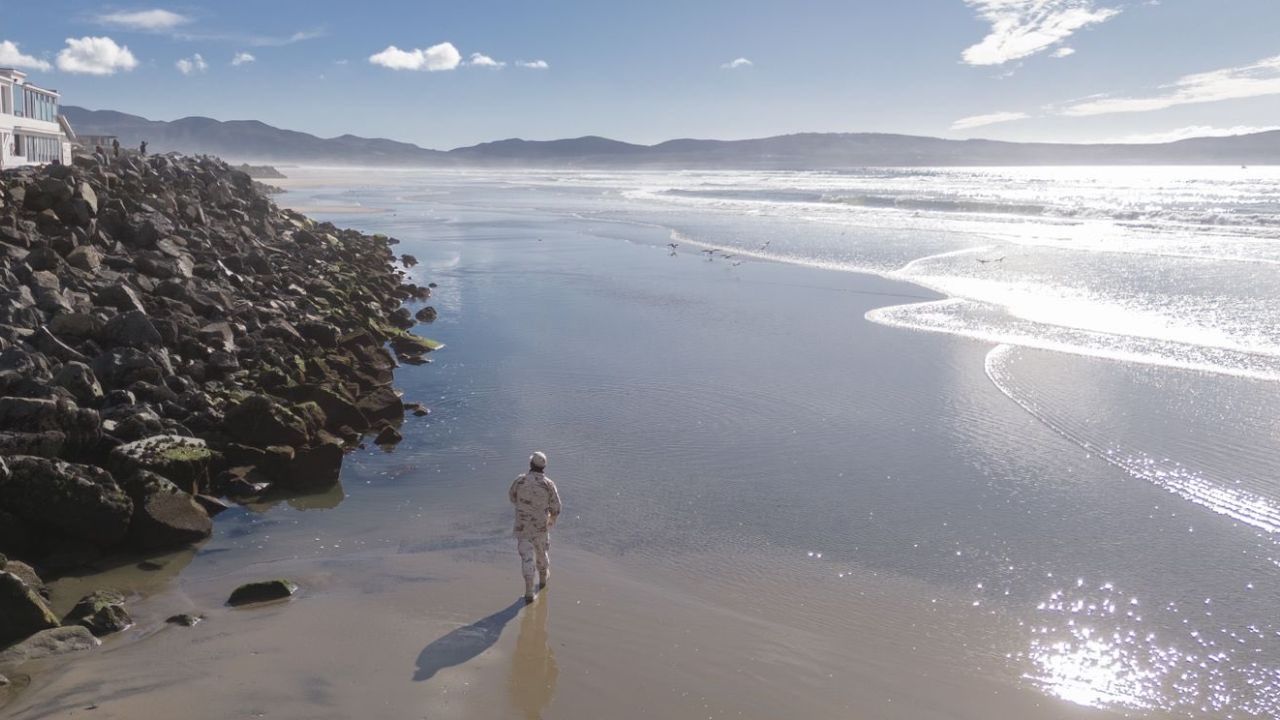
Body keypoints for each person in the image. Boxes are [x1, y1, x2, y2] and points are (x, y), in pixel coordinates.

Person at [508, 451, 562, 603]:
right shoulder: (548, 484)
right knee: (541, 553)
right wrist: (552, 518)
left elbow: (512, 497)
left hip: (522, 525)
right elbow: (556, 507)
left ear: (530, 464)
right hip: (540, 526)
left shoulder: (520, 481)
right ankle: (543, 581)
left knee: (526, 558)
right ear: (544, 466)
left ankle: (529, 591)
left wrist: (523, 507)